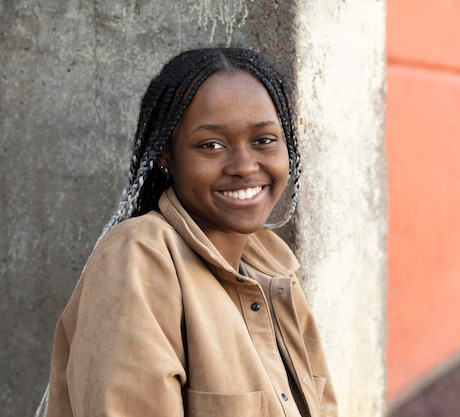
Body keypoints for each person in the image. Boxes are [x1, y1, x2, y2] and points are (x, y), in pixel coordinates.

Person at [36, 47, 337, 417]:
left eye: (264, 140)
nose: (244, 166)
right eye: (210, 145)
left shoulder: (275, 269)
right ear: (166, 155)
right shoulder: (138, 260)